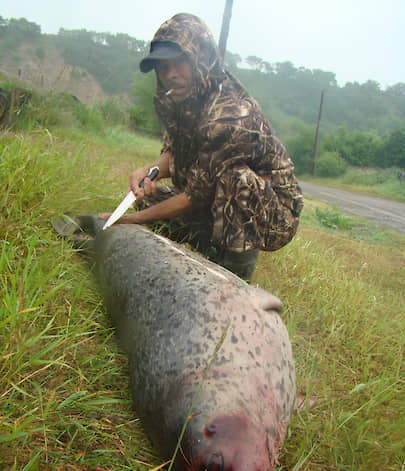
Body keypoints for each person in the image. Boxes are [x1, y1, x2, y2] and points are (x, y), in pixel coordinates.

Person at [99, 13, 303, 281]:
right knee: (151, 202)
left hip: (271, 213)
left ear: (202, 58)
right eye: (163, 66)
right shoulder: (180, 98)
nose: (171, 74)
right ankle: (208, 250)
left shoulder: (230, 113)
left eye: (181, 62)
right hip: (211, 194)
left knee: (236, 182)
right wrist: (149, 171)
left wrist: (133, 220)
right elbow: (174, 153)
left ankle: (234, 278)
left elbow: (195, 195)